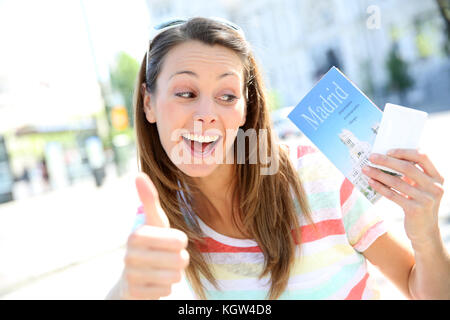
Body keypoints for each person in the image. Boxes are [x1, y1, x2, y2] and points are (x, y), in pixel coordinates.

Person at [106, 17, 450, 300]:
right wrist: (126, 290)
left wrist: (426, 235)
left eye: (226, 96)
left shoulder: (317, 177)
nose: (206, 114)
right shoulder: (159, 220)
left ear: (245, 109)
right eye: (186, 93)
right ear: (148, 103)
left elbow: (419, 287)